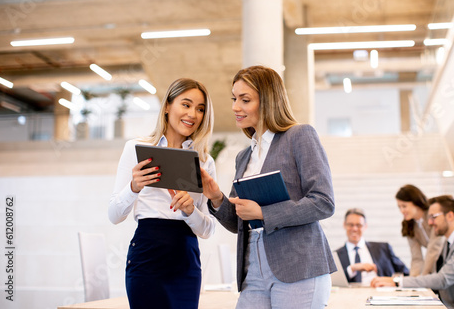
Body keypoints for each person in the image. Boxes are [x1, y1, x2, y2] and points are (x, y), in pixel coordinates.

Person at [200, 65, 336, 309]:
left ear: (268, 101)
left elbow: (323, 202)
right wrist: (217, 198)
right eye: (234, 98)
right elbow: (237, 223)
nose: (235, 107)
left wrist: (264, 214)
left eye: (245, 99)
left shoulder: (299, 136)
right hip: (253, 268)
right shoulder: (244, 156)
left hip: (298, 266)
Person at [108, 78, 216, 309]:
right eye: (185, 105)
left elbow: (208, 229)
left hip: (186, 260)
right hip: (147, 256)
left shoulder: (205, 162)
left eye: (200, 109)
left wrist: (190, 211)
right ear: (167, 106)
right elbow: (114, 215)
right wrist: (133, 188)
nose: (193, 114)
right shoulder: (136, 148)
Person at [372, 195, 454, 309]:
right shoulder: (451, 241)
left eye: (433, 217)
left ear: (450, 216)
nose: (430, 222)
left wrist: (398, 281)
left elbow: (443, 279)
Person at [335, 208, 409, 285]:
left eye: (358, 225)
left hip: (381, 292)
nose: (354, 229)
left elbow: (406, 272)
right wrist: (352, 269)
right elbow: (333, 283)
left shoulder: (383, 248)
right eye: (351, 225)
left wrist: (393, 281)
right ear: (344, 225)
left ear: (365, 226)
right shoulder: (336, 255)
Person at [395, 184, 445, 276]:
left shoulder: (432, 215)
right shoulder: (409, 225)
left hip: (447, 260)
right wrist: (412, 283)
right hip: (434, 264)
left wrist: (422, 279)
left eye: (404, 206)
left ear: (416, 202)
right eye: (399, 207)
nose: (401, 211)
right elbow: (416, 258)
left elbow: (433, 249)